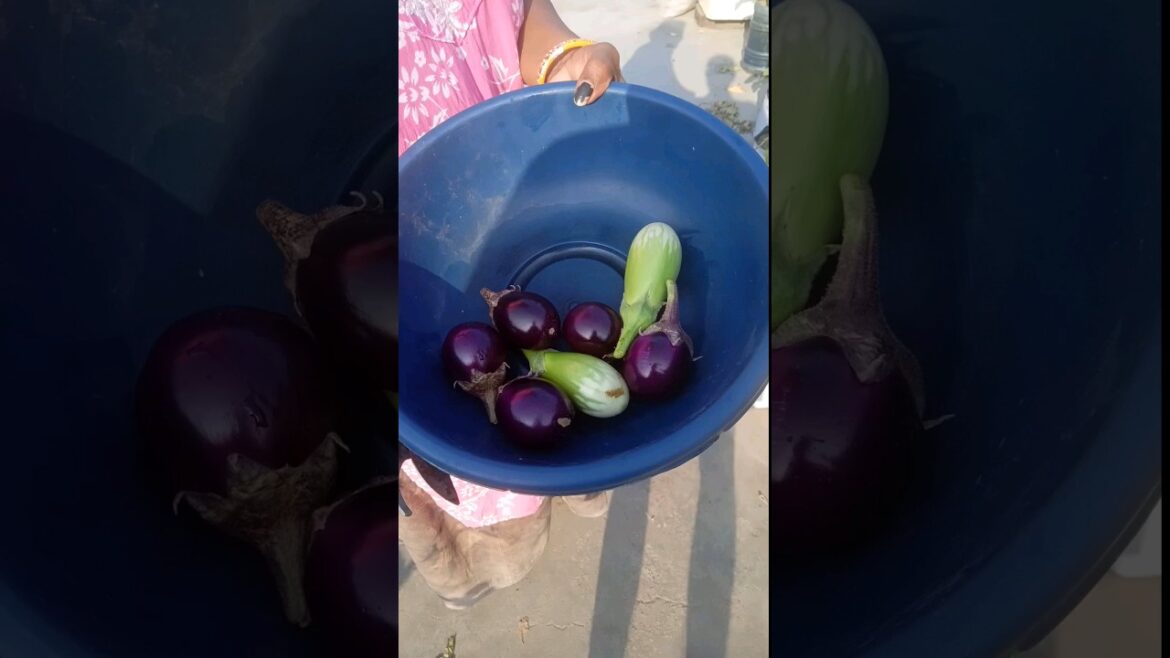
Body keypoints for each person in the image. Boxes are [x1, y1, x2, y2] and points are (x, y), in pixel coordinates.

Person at [397, 0, 624, 610]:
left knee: (527, 447)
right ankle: (460, 576)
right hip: (395, 301)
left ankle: (520, 545)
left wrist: (569, 58)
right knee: (442, 470)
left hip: (513, 235)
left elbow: (521, 22)